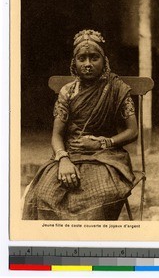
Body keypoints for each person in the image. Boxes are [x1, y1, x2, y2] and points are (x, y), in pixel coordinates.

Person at [22, 29, 138, 220]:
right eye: (82, 58)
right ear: (74, 63)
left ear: (104, 60)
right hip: (69, 155)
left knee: (99, 196)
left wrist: (104, 143)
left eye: (94, 57)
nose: (88, 64)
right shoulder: (67, 92)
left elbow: (133, 131)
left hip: (106, 157)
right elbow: (57, 135)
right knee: (42, 195)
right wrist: (63, 159)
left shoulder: (116, 89)